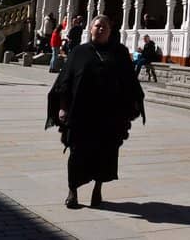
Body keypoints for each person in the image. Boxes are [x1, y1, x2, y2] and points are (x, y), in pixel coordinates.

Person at [47, 15, 144, 209]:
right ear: (90, 29)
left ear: (110, 31)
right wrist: (63, 107)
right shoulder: (79, 52)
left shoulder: (120, 53)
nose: (100, 30)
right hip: (81, 113)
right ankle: (72, 191)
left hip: (109, 114)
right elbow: (65, 81)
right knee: (77, 152)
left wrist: (131, 106)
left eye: (105, 27)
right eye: (97, 26)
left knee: (105, 152)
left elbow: (129, 82)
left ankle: (97, 189)